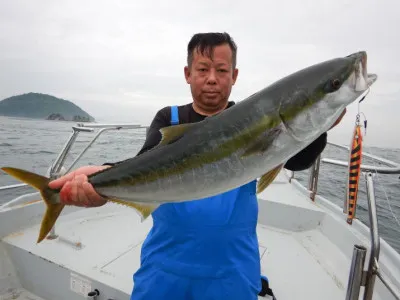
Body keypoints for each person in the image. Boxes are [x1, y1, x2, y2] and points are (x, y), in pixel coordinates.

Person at [49, 32, 346, 299]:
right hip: (165, 265)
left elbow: (299, 159)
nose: (212, 78)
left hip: (232, 269)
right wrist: (101, 181)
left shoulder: (253, 119)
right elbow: (144, 161)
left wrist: (320, 125)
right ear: (188, 74)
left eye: (221, 70)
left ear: (234, 75)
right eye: (203, 70)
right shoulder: (169, 119)